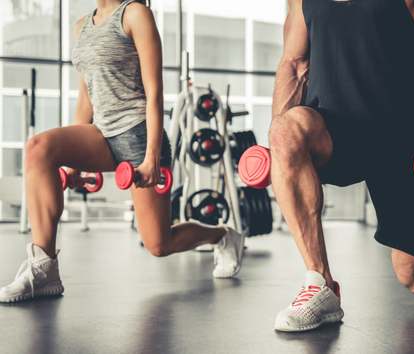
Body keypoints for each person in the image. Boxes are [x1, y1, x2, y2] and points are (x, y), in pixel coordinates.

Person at [0, 0, 244, 303]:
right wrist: (74, 164)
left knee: (158, 244)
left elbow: (154, 92)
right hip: (100, 133)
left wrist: (152, 156)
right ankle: (44, 267)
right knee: (39, 148)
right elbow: (86, 97)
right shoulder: (83, 25)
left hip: (138, 135)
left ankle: (222, 235)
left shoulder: (135, 14)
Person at [272, 0, 414, 332]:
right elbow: (294, 64)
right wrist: (277, 147)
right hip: (331, 131)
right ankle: (320, 283)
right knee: (285, 129)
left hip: (400, 140)